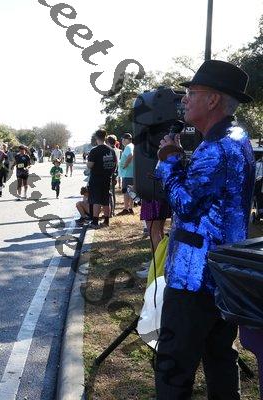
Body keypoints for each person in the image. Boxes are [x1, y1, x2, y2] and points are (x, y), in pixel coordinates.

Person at [154, 60, 255, 399]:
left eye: (192, 93)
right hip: (225, 274)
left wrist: (169, 161)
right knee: (220, 357)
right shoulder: (238, 137)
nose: (185, 99)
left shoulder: (214, 148)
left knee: (173, 366)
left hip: (193, 277)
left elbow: (185, 204)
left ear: (213, 100)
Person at [87, 129, 117, 228]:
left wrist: (87, 163)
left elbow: (90, 165)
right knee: (105, 200)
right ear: (105, 137)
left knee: (96, 200)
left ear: (96, 137)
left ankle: (95, 222)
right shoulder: (111, 150)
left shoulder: (94, 150)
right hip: (107, 178)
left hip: (96, 179)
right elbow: (115, 164)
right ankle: (106, 221)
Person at [117, 133, 135, 215]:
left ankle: (126, 209)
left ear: (126, 139)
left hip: (127, 173)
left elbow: (130, 155)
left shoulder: (128, 147)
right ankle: (130, 208)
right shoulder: (132, 146)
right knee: (131, 191)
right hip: (131, 173)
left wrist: (125, 165)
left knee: (126, 191)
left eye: (123, 139)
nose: (122, 141)